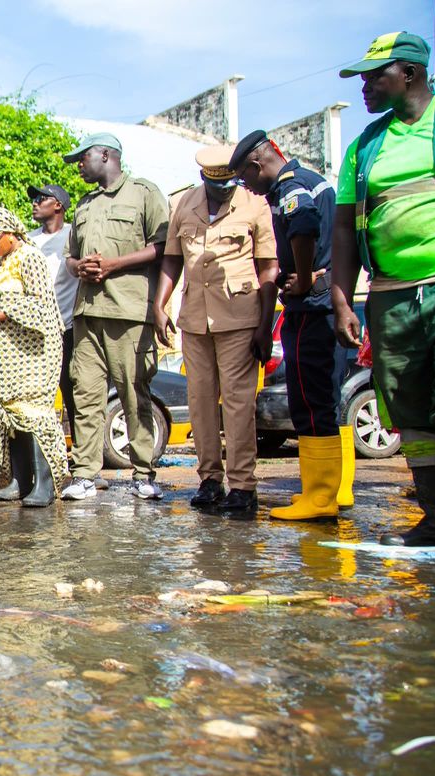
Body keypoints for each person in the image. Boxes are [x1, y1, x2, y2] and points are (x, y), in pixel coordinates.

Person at [332, 32, 435, 554]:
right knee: (410, 414)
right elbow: (342, 228)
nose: (364, 85)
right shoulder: (365, 147)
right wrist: (342, 297)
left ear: (410, 72)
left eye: (373, 75)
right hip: (392, 296)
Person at [230, 129, 354, 520]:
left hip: (311, 308)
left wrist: (300, 278)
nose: (247, 188)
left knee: (310, 402)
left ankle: (319, 498)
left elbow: (302, 228)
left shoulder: (290, 188)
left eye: (244, 178)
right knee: (327, 402)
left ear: (256, 164)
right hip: (324, 303)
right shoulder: (315, 181)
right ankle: (338, 490)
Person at [154, 146, 278, 519]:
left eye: (230, 184)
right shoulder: (184, 204)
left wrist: (265, 324)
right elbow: (172, 258)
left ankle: (242, 485)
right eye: (216, 184)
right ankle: (210, 480)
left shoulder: (254, 204)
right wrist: (158, 306)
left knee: (239, 403)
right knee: (200, 400)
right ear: (204, 178)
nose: (224, 190)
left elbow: (268, 267)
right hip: (194, 317)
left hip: (240, 316)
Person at [61, 133, 170, 501]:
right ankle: (85, 474)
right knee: (85, 395)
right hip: (88, 313)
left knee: (133, 393)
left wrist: (113, 265)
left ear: (105, 155)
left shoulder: (144, 193)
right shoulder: (83, 205)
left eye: (83, 157)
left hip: (130, 313)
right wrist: (82, 268)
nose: (79, 165)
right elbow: (70, 258)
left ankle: (142, 472)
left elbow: (164, 247)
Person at [0, 206, 67, 507]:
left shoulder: (31, 258)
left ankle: (44, 485)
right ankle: (20, 480)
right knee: (11, 416)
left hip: (32, 353)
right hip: (3, 354)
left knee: (32, 415)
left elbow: (41, 306)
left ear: (10, 233)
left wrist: (2, 312)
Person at [27, 184, 81, 441]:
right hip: (36, 330)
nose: (34, 203)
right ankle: (44, 457)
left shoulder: (74, 235)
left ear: (58, 205)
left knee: (72, 391)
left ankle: (82, 459)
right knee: (36, 396)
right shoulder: (29, 240)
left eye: (41, 198)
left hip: (68, 327)